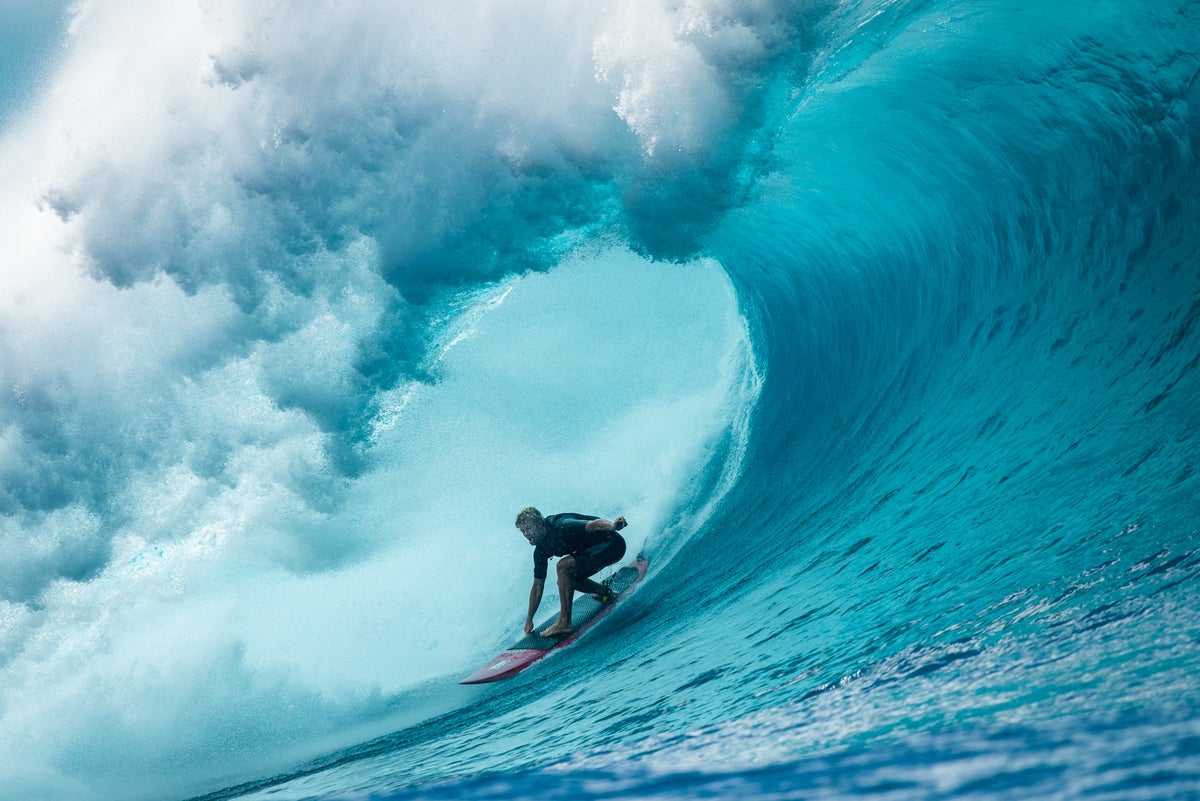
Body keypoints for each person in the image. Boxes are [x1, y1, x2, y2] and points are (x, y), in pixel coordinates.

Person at [515, 506, 627, 637]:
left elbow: (594, 525)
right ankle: (605, 593)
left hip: (613, 545)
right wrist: (529, 620)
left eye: (528, 529)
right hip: (595, 552)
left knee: (563, 567)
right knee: (566, 581)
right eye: (522, 531)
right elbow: (537, 586)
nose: (526, 534)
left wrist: (613, 526)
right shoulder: (541, 550)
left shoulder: (561, 525)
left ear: (540, 524)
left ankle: (564, 623)